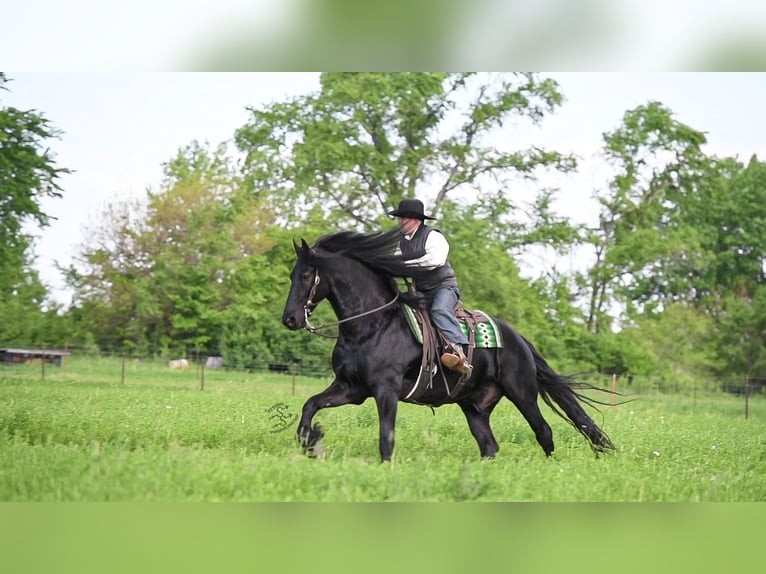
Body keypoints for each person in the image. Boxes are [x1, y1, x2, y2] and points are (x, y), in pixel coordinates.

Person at [388, 198, 472, 376]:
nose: (401, 221)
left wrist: (405, 266)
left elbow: (435, 260)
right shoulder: (400, 242)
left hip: (444, 288)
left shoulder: (433, 236)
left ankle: (459, 351)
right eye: (400, 217)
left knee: (440, 310)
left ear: (417, 220)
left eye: (406, 218)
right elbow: (394, 263)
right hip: (420, 292)